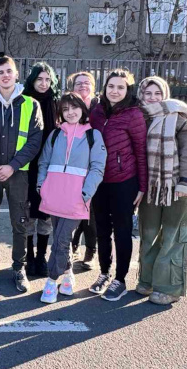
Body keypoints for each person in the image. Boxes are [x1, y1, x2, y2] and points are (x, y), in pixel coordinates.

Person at [0, 56, 43, 293]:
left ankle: (18, 267)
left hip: (18, 174)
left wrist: (12, 166)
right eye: (1, 72)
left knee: (19, 223)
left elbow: (35, 141)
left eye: (9, 71)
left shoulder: (31, 105)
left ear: (16, 75)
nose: (5, 75)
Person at [137, 76, 187, 305]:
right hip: (150, 188)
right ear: (141, 95)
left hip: (176, 187)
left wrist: (186, 182)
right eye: (147, 93)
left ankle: (170, 287)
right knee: (149, 234)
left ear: (165, 94)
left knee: (174, 236)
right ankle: (148, 280)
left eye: (157, 93)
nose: (152, 98)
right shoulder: (139, 117)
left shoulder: (179, 116)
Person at [37, 93, 106, 303]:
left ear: (82, 109)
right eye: (65, 109)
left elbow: (98, 167)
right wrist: (42, 186)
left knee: (61, 239)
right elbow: (44, 162)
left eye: (74, 108)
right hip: (54, 196)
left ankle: (51, 280)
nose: (70, 112)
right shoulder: (55, 135)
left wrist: (86, 192)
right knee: (59, 238)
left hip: (76, 199)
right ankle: (67, 275)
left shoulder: (93, 135)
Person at [88, 68, 147, 301]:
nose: (115, 91)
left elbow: (141, 151)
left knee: (122, 231)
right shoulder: (97, 111)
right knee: (101, 229)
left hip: (124, 182)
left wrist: (142, 186)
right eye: (111, 86)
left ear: (128, 90)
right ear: (105, 88)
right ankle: (104, 273)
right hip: (99, 181)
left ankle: (120, 280)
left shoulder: (134, 115)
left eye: (120, 87)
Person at [22, 62, 61, 278]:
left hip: (51, 165)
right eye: (40, 79)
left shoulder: (58, 103)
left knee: (46, 212)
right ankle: (29, 256)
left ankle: (41, 256)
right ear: (32, 80)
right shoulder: (24, 100)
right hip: (29, 164)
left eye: (48, 79)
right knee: (28, 212)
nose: (44, 83)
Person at [66, 71, 99, 269]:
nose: (83, 86)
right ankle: (73, 246)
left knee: (91, 211)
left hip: (92, 164)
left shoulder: (99, 107)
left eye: (87, 83)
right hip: (71, 165)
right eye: (79, 83)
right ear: (72, 87)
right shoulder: (68, 106)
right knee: (71, 208)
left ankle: (90, 251)